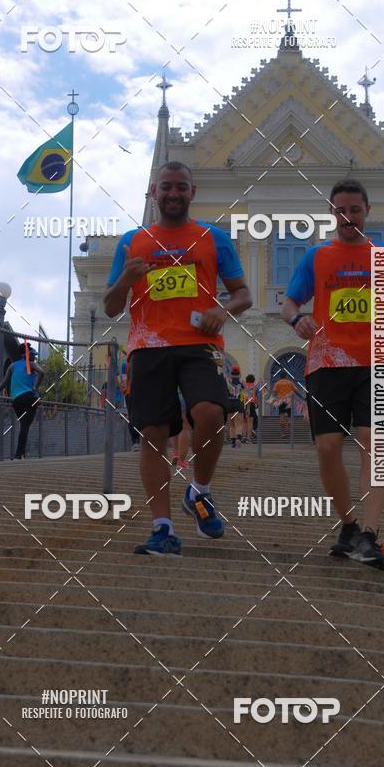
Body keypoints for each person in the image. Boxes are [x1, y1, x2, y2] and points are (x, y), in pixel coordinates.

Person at [104, 160, 252, 556]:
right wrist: (125, 280)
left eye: (181, 187)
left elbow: (243, 293)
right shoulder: (131, 242)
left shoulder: (213, 237)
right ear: (154, 192)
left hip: (199, 344)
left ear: (192, 191)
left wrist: (223, 310)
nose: (173, 194)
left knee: (211, 414)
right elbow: (110, 307)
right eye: (166, 187)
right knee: (152, 436)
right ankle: (162, 528)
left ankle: (199, 492)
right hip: (147, 349)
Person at [282, 178, 384, 571]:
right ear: (332, 213)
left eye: (355, 210)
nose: (348, 217)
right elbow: (289, 302)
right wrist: (298, 319)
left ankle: (370, 536)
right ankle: (348, 527)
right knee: (328, 448)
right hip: (326, 363)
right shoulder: (316, 257)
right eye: (341, 210)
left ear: (366, 212)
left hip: (374, 363)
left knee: (373, 443)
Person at [0, 343, 44, 459]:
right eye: (32, 355)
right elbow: (42, 372)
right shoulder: (30, 363)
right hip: (31, 398)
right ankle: (18, 454)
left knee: (23, 425)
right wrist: (36, 386)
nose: (34, 357)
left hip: (17, 401)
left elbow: (5, 382)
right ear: (26, 355)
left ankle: (22, 453)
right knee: (25, 426)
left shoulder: (12, 366)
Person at [270, 370, 296, 437]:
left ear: (280, 377)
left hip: (281, 401)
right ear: (286, 376)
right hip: (289, 401)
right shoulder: (290, 382)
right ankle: (290, 429)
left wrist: (273, 401)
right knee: (290, 416)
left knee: (282, 416)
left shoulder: (277, 383)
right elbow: (295, 390)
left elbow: (274, 392)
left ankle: (283, 433)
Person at [227, 364, 246, 447]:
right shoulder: (241, 382)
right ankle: (238, 438)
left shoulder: (227, 381)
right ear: (239, 372)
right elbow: (244, 393)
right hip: (239, 402)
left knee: (231, 424)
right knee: (239, 423)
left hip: (229, 402)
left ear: (231, 372)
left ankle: (233, 441)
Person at [244, 373, 260, 442]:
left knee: (244, 421)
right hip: (251, 404)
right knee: (253, 421)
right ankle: (249, 436)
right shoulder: (255, 387)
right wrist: (257, 404)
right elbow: (258, 396)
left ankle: (244, 436)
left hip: (243, 404)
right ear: (253, 380)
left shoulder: (244, 386)